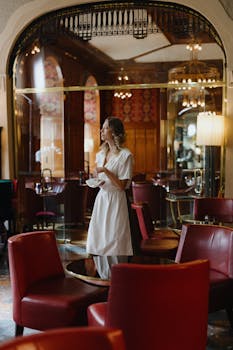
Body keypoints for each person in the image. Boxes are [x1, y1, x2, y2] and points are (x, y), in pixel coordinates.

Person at [86, 116, 133, 272]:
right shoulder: (100, 155)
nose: (101, 130)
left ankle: (118, 276)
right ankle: (103, 277)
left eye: (105, 128)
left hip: (116, 201)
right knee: (100, 237)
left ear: (113, 132)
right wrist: (96, 178)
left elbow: (121, 186)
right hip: (102, 199)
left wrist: (106, 170)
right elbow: (100, 178)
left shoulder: (125, 156)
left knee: (115, 238)